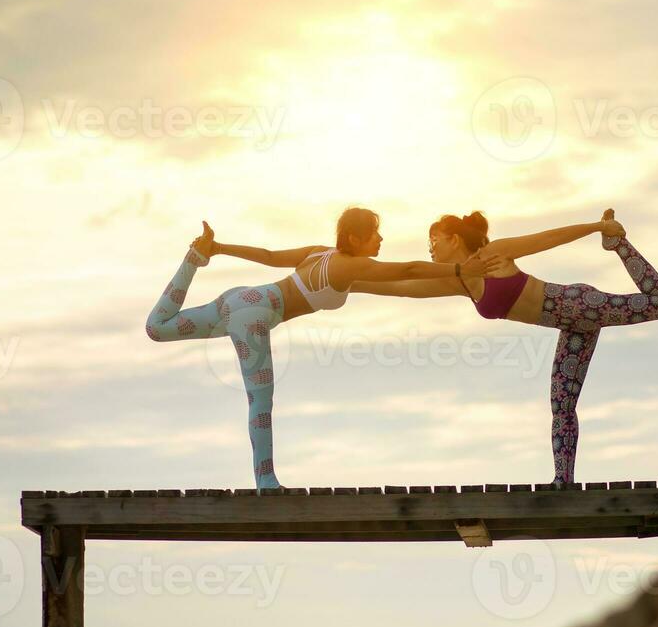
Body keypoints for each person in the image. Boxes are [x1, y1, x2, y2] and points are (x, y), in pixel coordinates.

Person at [145, 207, 499, 488]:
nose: (380, 239)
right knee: (260, 400)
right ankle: (265, 481)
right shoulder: (349, 265)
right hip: (254, 315)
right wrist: (459, 267)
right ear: (354, 238)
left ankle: (194, 258)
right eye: (374, 233)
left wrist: (218, 249)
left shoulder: (322, 253)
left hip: (240, 299)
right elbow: (406, 269)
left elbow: (269, 256)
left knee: (156, 328)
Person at [350, 209, 658, 486]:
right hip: (572, 327)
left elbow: (547, 238)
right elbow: (403, 287)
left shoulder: (494, 255)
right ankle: (563, 483)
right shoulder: (460, 281)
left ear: (454, 239)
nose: (430, 249)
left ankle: (618, 245)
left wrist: (599, 228)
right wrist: (347, 282)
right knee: (561, 403)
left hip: (578, 304)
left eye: (433, 239)